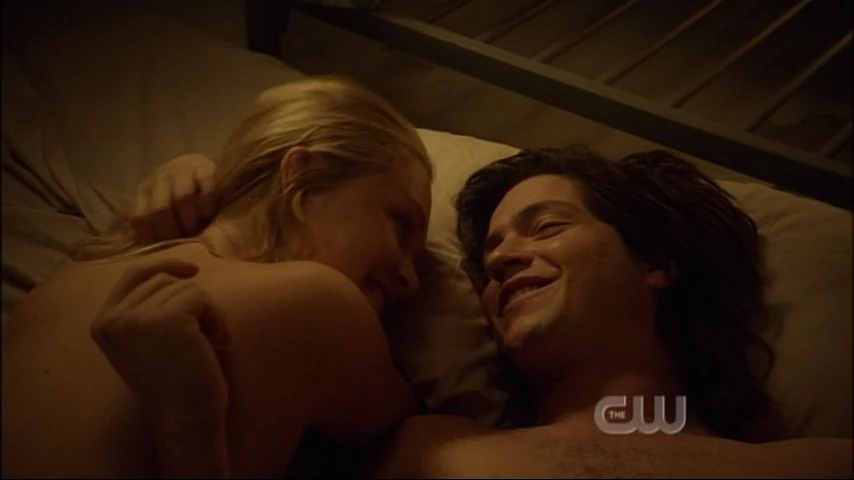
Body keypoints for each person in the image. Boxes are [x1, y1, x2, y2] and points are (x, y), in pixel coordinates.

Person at [94, 146, 852, 477]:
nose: (504, 261)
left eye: (545, 227)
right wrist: (216, 192)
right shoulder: (424, 449)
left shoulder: (816, 464)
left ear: (656, 262)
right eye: (491, 255)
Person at [1, 76, 434, 477]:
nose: (412, 280)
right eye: (401, 224)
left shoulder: (69, 279)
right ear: (303, 176)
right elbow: (414, 426)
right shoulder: (319, 299)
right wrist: (187, 424)